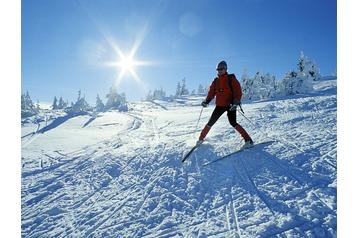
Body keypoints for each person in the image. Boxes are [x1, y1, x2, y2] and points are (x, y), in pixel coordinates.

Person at [197, 60, 254, 149]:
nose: (220, 71)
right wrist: (207, 101)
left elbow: (237, 91)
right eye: (218, 69)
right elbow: (211, 93)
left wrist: (235, 102)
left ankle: (248, 140)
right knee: (211, 122)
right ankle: (201, 139)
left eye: (221, 69)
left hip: (231, 105)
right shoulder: (216, 81)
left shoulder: (231, 79)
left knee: (233, 122)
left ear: (225, 69)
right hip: (220, 105)